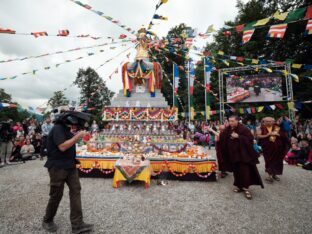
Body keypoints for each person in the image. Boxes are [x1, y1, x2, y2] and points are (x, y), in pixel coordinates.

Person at [42, 111, 93, 233]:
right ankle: (47, 220)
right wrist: (77, 137)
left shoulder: (66, 129)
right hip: (57, 167)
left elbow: (70, 144)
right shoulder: (58, 128)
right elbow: (62, 147)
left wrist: (79, 137)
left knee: (76, 191)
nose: (76, 125)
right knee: (56, 195)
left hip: (70, 165)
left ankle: (77, 224)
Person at [220, 115, 264, 200]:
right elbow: (222, 137)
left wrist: (239, 137)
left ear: (237, 121)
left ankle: (246, 189)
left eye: (232, 121)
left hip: (244, 156)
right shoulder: (228, 129)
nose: (230, 123)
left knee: (245, 171)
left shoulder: (243, 128)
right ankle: (239, 186)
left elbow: (251, 139)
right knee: (236, 171)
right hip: (233, 155)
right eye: (229, 121)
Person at [256, 117, 289, 183]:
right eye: (267, 121)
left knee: (277, 161)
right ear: (264, 122)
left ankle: (274, 174)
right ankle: (270, 175)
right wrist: (268, 134)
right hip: (267, 148)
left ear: (273, 122)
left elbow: (284, 136)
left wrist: (278, 134)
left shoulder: (277, 128)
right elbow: (258, 136)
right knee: (268, 160)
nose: (268, 122)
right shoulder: (259, 128)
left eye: (270, 121)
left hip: (278, 147)